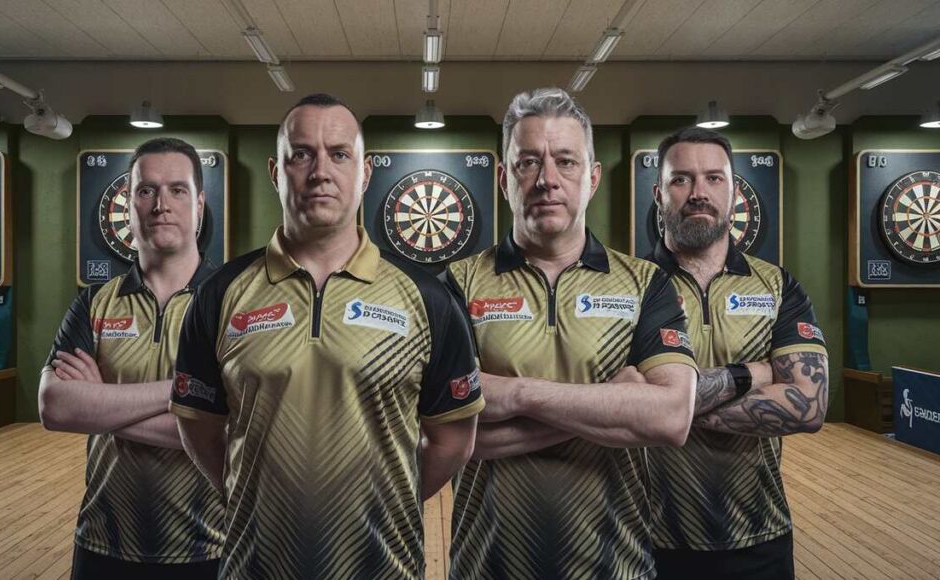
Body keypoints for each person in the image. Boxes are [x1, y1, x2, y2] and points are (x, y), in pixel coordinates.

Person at [169, 93, 483, 579]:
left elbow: (453, 440)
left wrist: (384, 500)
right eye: (301, 154)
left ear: (365, 173)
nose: (320, 172)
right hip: (256, 566)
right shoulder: (220, 293)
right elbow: (199, 429)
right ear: (276, 172)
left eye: (339, 154)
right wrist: (252, 494)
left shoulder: (427, 297)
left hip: (383, 568)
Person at [445, 87, 698, 579]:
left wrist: (515, 394)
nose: (547, 180)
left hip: (617, 566)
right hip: (487, 566)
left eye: (566, 161)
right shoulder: (457, 283)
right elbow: (453, 432)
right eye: (527, 163)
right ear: (503, 179)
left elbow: (670, 418)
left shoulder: (645, 283)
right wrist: (613, 404)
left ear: (592, 178)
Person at [645, 126, 829, 580]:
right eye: (681, 179)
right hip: (646, 536)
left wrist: (666, 410)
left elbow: (809, 404)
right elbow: (615, 394)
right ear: (659, 194)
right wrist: (753, 374)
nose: (699, 192)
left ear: (733, 193)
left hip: (758, 535)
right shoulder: (628, 286)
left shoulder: (778, 286)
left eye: (714, 178)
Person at [38, 137, 223, 579]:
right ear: (129, 203)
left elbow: (231, 430)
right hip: (103, 545)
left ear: (199, 204)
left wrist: (99, 404)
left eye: (177, 190)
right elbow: (56, 406)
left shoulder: (232, 303)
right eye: (146, 190)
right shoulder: (94, 303)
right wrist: (184, 392)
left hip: (212, 549)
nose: (161, 205)